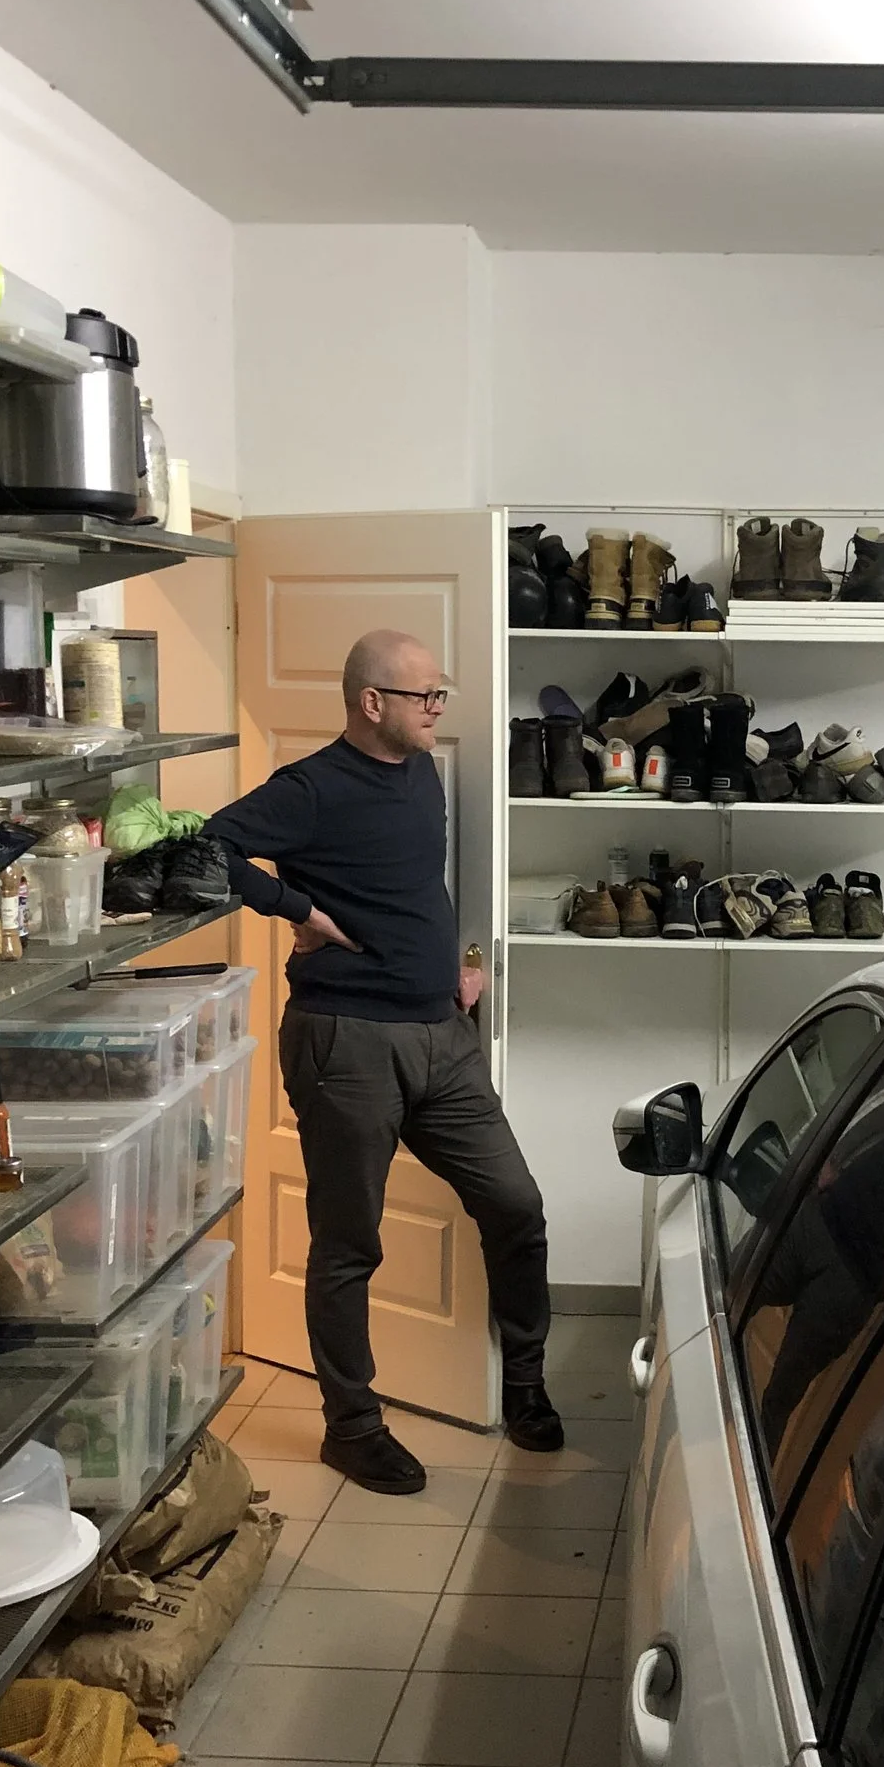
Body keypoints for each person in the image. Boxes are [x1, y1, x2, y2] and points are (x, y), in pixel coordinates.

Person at [204, 628, 560, 1494]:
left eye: (440, 693)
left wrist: (453, 965)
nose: (438, 708)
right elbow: (209, 844)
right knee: (348, 1243)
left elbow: (410, 886)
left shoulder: (424, 773)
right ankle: (352, 1427)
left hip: (443, 1036)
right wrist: (296, 908)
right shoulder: (311, 787)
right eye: (423, 695)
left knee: (515, 1204)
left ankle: (523, 1384)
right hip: (346, 1041)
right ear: (372, 702)